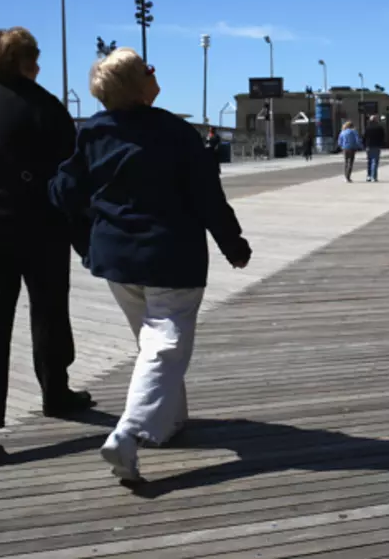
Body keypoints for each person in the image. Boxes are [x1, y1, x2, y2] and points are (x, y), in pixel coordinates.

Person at [49, 48, 251, 481]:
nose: (155, 72)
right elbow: (207, 197)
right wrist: (233, 244)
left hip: (117, 261)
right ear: (137, 85)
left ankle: (169, 422)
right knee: (165, 344)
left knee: (154, 346)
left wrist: (88, 231)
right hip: (169, 257)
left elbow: (64, 192)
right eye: (148, 69)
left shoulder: (93, 132)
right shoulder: (176, 133)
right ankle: (130, 431)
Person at [0, 27, 93, 463]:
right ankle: (55, 390)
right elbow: (72, 172)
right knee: (48, 307)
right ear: (27, 63)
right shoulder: (46, 107)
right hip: (41, 224)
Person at [362, 115, 385, 182]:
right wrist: (381, 144)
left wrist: (364, 145)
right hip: (376, 146)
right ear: (376, 120)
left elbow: (364, 137)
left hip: (368, 146)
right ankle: (374, 177)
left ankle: (368, 176)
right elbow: (382, 137)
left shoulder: (367, 128)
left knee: (369, 161)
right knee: (375, 161)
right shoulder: (380, 128)